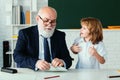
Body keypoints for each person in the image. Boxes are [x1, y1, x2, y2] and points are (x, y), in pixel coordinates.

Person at [13, 6, 72, 71]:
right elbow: (17, 56)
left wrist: (62, 62)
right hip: (32, 71)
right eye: (46, 20)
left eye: (53, 21)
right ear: (38, 19)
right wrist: (36, 63)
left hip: (54, 73)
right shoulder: (25, 33)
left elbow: (68, 59)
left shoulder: (60, 35)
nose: (49, 25)